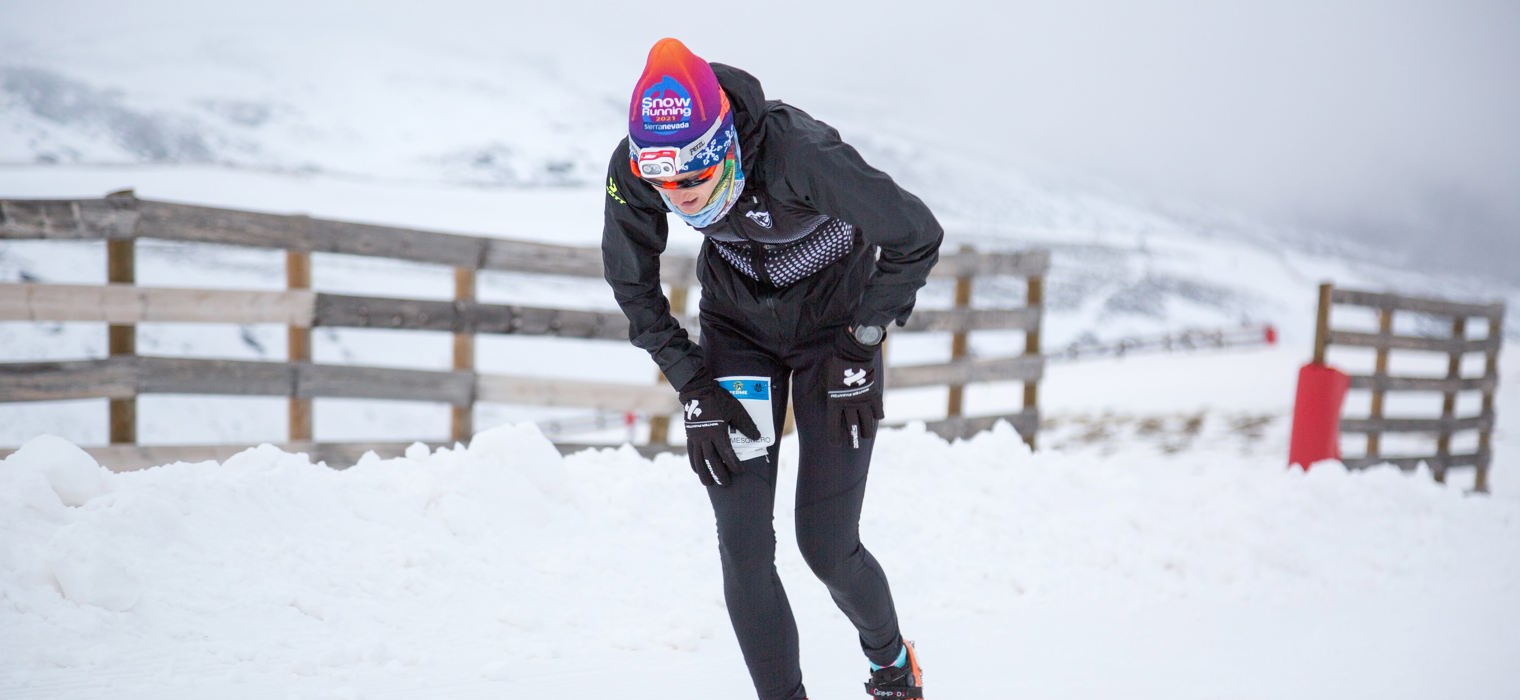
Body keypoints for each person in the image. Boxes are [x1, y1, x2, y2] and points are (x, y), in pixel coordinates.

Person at [602, 37, 941, 700]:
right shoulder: (637, 165)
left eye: (693, 180)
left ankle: (892, 666)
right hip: (738, 336)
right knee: (744, 547)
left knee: (827, 544)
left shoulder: (798, 154)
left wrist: (863, 339)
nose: (681, 198)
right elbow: (631, 283)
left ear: (724, 145)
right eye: (664, 184)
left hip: (833, 337)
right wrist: (693, 384)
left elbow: (916, 234)